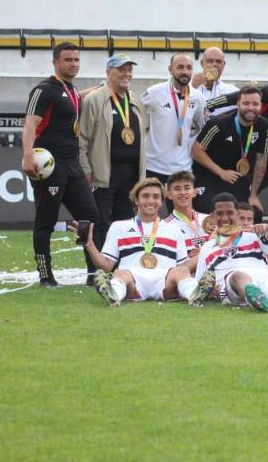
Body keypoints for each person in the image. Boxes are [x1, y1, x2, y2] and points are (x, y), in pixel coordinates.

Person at [22, 43, 99, 286]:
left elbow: (73, 100)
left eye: (76, 60)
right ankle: (46, 275)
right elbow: (30, 124)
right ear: (56, 62)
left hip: (72, 166)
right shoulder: (44, 89)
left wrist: (96, 89)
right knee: (45, 220)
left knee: (90, 217)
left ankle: (92, 272)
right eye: (68, 60)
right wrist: (27, 155)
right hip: (49, 167)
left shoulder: (72, 90)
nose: (73, 64)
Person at [85, 178, 210, 306]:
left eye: (156, 197)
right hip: (132, 279)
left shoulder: (174, 229)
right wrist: (89, 244)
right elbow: (106, 266)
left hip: (165, 280)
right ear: (136, 199)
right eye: (145, 196)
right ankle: (113, 295)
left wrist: (209, 248)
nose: (151, 201)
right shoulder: (118, 227)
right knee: (120, 273)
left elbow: (184, 265)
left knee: (182, 271)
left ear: (162, 201)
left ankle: (194, 295)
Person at [78, 53, 146, 261]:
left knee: (124, 223)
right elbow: (82, 139)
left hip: (131, 175)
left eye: (129, 70)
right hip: (103, 173)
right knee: (98, 222)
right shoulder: (94, 99)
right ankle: (95, 269)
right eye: (121, 70)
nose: (126, 74)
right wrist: (86, 170)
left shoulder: (134, 100)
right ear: (108, 73)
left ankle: (120, 266)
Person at [191, 84, 268, 214]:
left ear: (260, 105)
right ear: (238, 104)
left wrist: (253, 194)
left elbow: (262, 160)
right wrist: (221, 172)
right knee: (210, 212)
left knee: (250, 214)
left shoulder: (264, 126)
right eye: (246, 103)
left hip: (237, 177)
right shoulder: (218, 123)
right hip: (209, 176)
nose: (251, 108)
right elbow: (196, 151)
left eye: (255, 104)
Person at [140, 54, 207, 188]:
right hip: (154, 166)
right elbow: (136, 113)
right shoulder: (154, 92)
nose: (185, 72)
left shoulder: (198, 97)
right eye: (180, 67)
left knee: (181, 209)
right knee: (151, 208)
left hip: (183, 168)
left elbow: (202, 126)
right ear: (170, 69)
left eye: (189, 68)